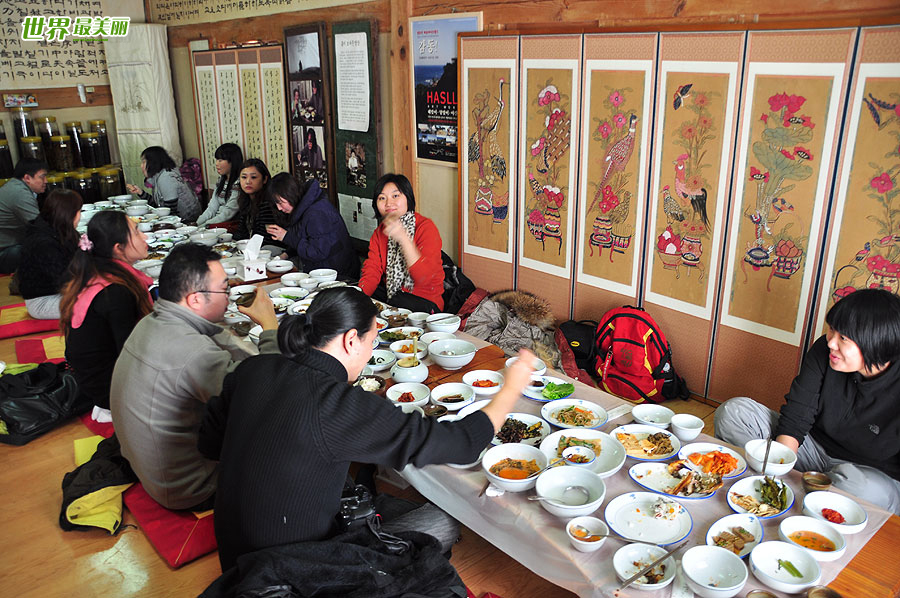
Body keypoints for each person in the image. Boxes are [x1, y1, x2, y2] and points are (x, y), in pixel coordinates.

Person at [198, 286, 537, 570]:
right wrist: (511, 387)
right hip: (290, 572)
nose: (371, 351)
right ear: (350, 340)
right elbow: (463, 442)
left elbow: (209, 443)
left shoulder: (254, 368)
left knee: (382, 498)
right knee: (444, 521)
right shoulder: (340, 404)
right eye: (372, 341)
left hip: (234, 556)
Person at [110, 243, 280, 510]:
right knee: (284, 426)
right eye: (224, 289)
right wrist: (270, 326)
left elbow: (215, 335)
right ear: (195, 299)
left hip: (149, 468)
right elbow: (265, 391)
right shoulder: (193, 352)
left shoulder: (151, 322)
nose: (229, 296)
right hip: (189, 487)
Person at [714, 288, 900, 515]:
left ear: (876, 344)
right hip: (812, 449)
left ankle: (812, 497)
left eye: (843, 338)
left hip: (867, 473)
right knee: (734, 412)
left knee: (860, 488)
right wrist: (778, 472)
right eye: (832, 330)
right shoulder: (825, 350)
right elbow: (797, 414)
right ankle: (789, 494)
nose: (832, 342)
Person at [60, 210, 153, 417]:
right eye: (137, 232)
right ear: (118, 248)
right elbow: (131, 354)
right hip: (109, 389)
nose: (145, 236)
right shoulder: (116, 292)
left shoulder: (100, 272)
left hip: (94, 378)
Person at [358, 173, 445, 312]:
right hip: (393, 300)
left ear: (408, 198)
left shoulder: (426, 227)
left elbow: (424, 278)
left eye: (395, 196)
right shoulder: (380, 232)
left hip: (425, 305)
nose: (388, 203)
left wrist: (403, 238)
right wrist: (358, 296)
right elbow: (372, 270)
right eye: (382, 198)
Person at [265, 173, 359, 279]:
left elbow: (318, 252)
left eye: (280, 203)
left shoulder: (317, 213)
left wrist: (286, 237)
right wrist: (284, 255)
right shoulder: (304, 206)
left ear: (289, 194)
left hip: (335, 274)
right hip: (319, 267)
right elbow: (304, 239)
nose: (279, 208)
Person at [18, 189, 82, 319]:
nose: (80, 216)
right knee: (97, 303)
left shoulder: (58, 228)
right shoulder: (43, 242)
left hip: (61, 291)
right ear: (69, 214)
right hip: (43, 301)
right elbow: (64, 280)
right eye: (79, 211)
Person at [126, 146, 200, 223]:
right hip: (177, 219)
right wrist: (140, 192)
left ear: (153, 162)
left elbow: (169, 213)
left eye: (144, 162)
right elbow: (158, 206)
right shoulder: (158, 177)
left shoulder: (166, 178)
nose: (141, 166)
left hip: (187, 222)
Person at [0, 158, 48, 273]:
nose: (46, 181)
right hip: (6, 252)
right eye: (42, 177)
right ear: (27, 178)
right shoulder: (19, 193)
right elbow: (40, 226)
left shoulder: (15, 186)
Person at [234, 159, 283, 250]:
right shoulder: (245, 200)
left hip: (270, 250)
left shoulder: (268, 202)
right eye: (244, 177)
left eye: (253, 177)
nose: (248, 181)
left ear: (265, 179)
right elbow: (241, 233)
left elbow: (266, 239)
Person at [197, 143, 242, 226]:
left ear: (232, 161)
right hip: (213, 223)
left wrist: (205, 225)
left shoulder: (239, 183)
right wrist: (197, 224)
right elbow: (212, 208)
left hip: (228, 225)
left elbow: (228, 213)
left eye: (220, 160)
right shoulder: (221, 180)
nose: (217, 164)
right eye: (217, 160)